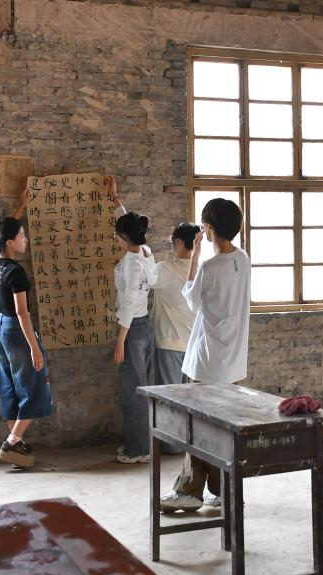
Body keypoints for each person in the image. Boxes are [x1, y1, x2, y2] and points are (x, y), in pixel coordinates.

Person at [160, 198, 250, 513]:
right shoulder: (243, 259)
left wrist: (195, 256)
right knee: (221, 428)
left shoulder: (210, 267)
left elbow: (192, 300)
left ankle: (189, 491)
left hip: (208, 360)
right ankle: (223, 489)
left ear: (209, 227)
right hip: (232, 359)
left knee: (197, 426)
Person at [0, 190, 53, 469]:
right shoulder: (16, 273)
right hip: (16, 331)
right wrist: (35, 348)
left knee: (9, 387)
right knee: (35, 386)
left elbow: (2, 233)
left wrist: (21, 205)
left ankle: (17, 447)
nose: (26, 240)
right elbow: (22, 313)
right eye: (22, 236)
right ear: (10, 242)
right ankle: (13, 442)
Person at [107, 176, 159, 464]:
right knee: (139, 387)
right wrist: (115, 198)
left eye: (117, 235)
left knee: (133, 391)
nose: (116, 238)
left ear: (124, 238)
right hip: (143, 328)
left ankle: (138, 450)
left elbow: (128, 305)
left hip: (132, 330)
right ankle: (139, 444)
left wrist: (120, 342)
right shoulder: (144, 252)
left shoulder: (131, 265)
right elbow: (129, 224)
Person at [151, 221, 201, 454]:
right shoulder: (200, 270)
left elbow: (142, 273)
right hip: (192, 344)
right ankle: (185, 443)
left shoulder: (166, 270)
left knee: (170, 397)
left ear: (179, 242)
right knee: (187, 398)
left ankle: (171, 446)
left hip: (169, 341)